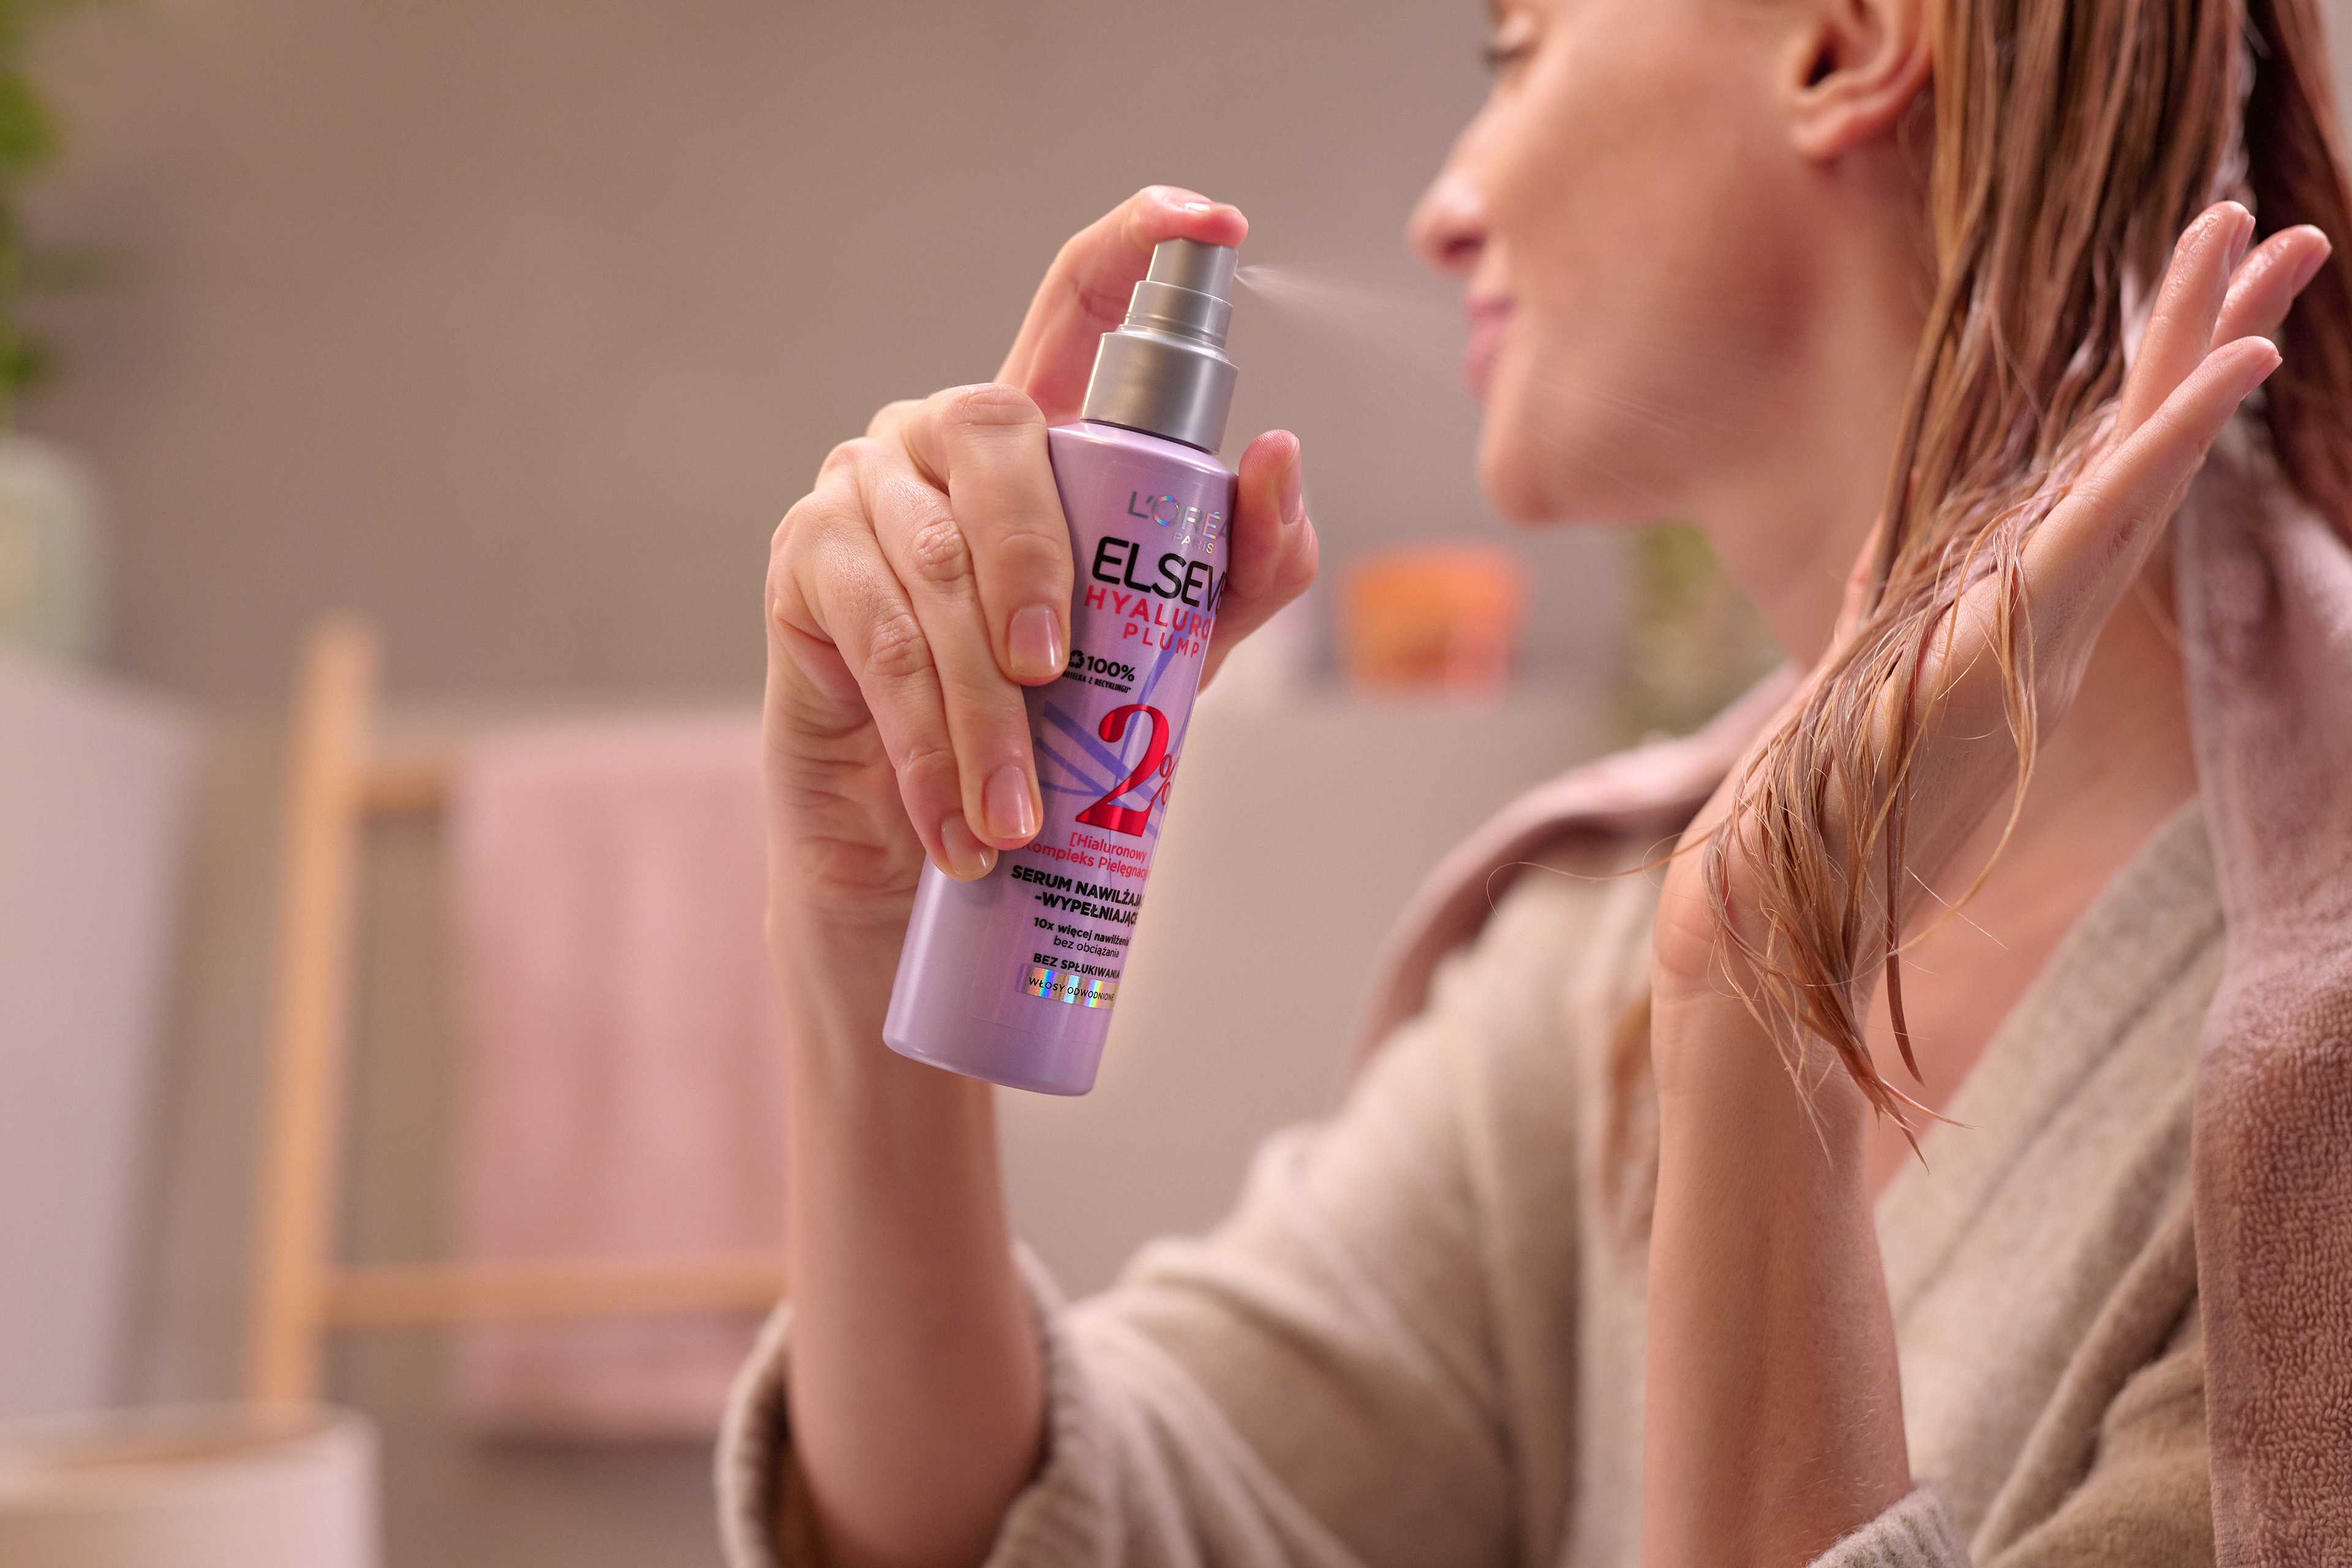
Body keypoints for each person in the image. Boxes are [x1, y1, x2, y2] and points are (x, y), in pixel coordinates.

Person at [735, 0, 2352, 1562]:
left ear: (1843, 40)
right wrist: (867, 911)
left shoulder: (2302, 1099)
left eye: (1517, 48)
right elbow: (1046, 1530)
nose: (1444, 214)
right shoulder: (1588, 961)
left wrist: (1762, 1000)